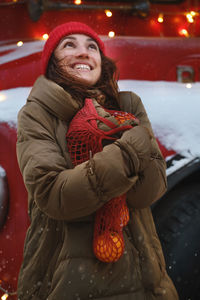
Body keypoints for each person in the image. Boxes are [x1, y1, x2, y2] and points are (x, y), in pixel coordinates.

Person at [16, 22, 179, 300]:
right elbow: (55, 194)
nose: (83, 53)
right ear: (52, 62)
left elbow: (147, 193)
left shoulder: (127, 106)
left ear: (101, 62)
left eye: (91, 47)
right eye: (69, 45)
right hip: (67, 280)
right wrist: (128, 154)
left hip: (143, 274)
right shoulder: (37, 115)